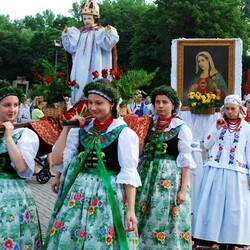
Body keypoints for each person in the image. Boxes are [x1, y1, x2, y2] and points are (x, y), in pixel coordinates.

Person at [44, 79, 141, 249]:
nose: (93, 107)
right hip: (78, 193)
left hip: (107, 194)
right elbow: (58, 160)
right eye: (90, 102)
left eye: (99, 103)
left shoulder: (124, 133)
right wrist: (67, 127)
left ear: (111, 104)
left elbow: (129, 174)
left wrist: (131, 210)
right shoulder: (81, 130)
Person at [136, 85, 196, 249]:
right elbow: (140, 154)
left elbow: (186, 162)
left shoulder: (180, 128)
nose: (160, 106)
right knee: (144, 213)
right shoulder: (148, 125)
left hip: (169, 179)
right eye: (157, 102)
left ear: (173, 105)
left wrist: (183, 190)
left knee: (167, 216)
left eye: (165, 102)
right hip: (147, 176)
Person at [192, 94, 250, 249]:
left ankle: (231, 241)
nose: (230, 112)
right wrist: (217, 127)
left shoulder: (247, 128)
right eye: (228, 109)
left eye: (233, 109)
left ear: (239, 109)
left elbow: (249, 152)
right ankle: (211, 237)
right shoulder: (217, 123)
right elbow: (208, 144)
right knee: (214, 205)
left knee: (234, 207)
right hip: (215, 169)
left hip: (236, 171)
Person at [0, 86, 42, 249]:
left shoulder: (23, 133)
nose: (12, 109)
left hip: (13, 193)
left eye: (16, 105)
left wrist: (9, 138)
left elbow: (22, 168)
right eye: (7, 105)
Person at [62, 0, 119, 104]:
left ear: (95, 18)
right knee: (79, 77)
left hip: (97, 62)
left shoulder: (100, 32)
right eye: (84, 18)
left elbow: (108, 44)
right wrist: (68, 35)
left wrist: (108, 32)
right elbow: (71, 47)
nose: (86, 21)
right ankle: (79, 100)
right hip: (81, 63)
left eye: (89, 18)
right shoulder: (79, 33)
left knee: (97, 77)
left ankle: (99, 99)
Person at [31, 96, 55, 176]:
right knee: (49, 151)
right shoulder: (38, 111)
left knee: (35, 152)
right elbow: (46, 120)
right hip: (40, 133)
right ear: (43, 103)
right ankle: (50, 170)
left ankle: (36, 168)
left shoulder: (35, 110)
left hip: (37, 132)